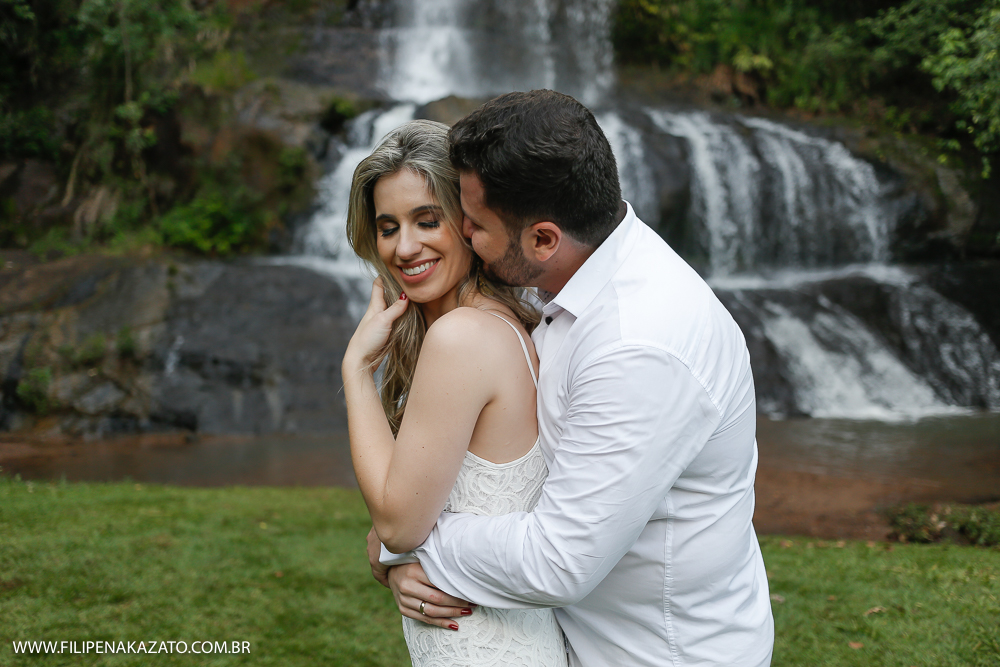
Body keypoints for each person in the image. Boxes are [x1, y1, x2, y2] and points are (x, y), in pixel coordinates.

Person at [372, 90, 775, 666]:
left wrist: (405, 542)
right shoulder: (579, 270)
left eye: (475, 224)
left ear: (543, 238)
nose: (461, 233)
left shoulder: (639, 345)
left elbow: (556, 561)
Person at [341, 119, 569, 666]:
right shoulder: (500, 324)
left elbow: (400, 523)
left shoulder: (461, 337)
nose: (405, 246)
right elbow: (414, 516)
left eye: (427, 220)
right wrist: (396, 552)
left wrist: (355, 372)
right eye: (388, 226)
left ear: (467, 222)